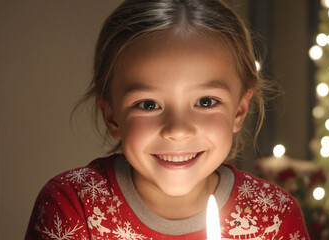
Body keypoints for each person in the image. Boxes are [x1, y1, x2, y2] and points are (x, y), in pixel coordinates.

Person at [26, 0, 310, 239]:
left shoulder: (274, 217)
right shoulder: (72, 205)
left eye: (206, 102)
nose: (178, 130)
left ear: (239, 110)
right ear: (111, 116)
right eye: (149, 104)